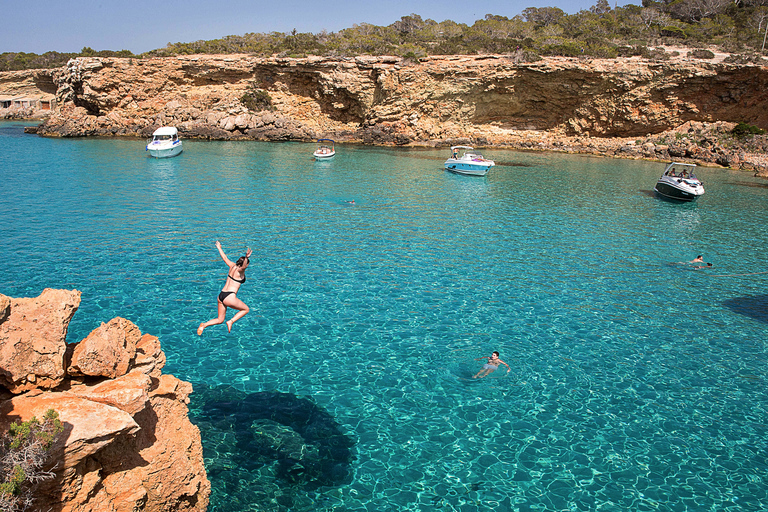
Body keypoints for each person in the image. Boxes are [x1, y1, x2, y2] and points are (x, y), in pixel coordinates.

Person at [198, 241, 252, 335]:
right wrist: (246, 257)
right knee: (246, 309)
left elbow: (224, 258)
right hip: (230, 297)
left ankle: (204, 325)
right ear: (245, 265)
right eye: (247, 264)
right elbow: (243, 266)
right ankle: (231, 321)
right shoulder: (240, 271)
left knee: (220, 320)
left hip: (221, 296)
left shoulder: (232, 266)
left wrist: (219, 247)